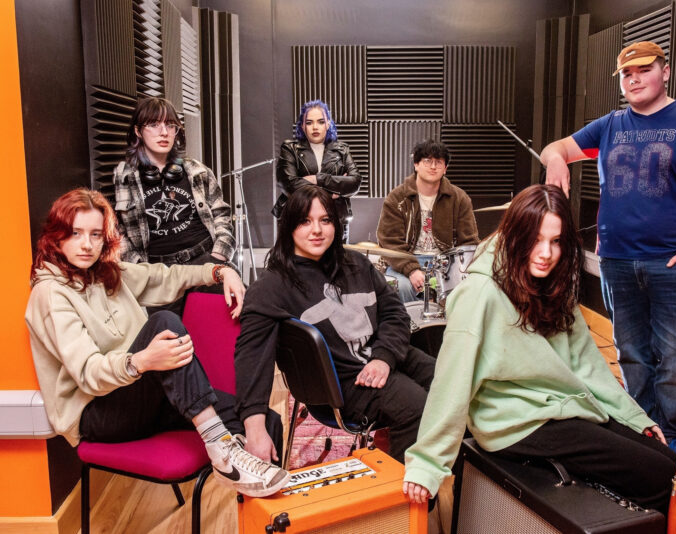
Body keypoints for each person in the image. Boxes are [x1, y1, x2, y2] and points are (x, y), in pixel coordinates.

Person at [403, 185, 676, 515]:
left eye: (556, 240)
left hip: (560, 408)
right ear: (515, 236)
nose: (546, 252)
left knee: (673, 465)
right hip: (515, 422)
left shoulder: (555, 284)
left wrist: (634, 419)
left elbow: (587, 365)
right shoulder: (480, 292)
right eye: (535, 239)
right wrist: (428, 464)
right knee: (661, 478)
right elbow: (452, 381)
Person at [25, 188, 288, 497]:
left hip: (141, 396)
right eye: (75, 233)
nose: (86, 244)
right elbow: (88, 374)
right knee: (163, 323)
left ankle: (265, 516)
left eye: (95, 234)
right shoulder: (50, 294)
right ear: (56, 236)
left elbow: (165, 277)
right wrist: (142, 362)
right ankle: (222, 449)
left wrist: (219, 271)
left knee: (263, 421)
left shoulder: (107, 273)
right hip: (97, 412)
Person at [539, 41, 676, 454]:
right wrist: (556, 160)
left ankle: (673, 432)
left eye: (644, 70)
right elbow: (555, 147)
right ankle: (644, 426)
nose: (634, 78)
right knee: (631, 351)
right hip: (617, 262)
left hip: (674, 262)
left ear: (665, 72)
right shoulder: (609, 124)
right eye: (627, 73)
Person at [236, 185, 435, 464]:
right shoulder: (272, 287)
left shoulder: (355, 263)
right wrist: (254, 428)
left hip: (383, 357)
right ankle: (404, 502)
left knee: (448, 383)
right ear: (289, 226)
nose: (316, 230)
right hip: (345, 384)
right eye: (305, 221)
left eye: (325, 220)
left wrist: (384, 358)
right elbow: (251, 358)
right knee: (419, 408)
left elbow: (395, 314)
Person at [113, 97, 236, 315]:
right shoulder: (125, 176)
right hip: (160, 274)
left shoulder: (196, 170)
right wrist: (142, 270)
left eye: (170, 125)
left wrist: (218, 255)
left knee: (225, 333)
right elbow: (119, 232)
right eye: (154, 124)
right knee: (171, 339)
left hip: (205, 260)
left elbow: (222, 214)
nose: (164, 132)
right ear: (138, 131)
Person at [377, 139, 479, 303]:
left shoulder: (459, 198)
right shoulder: (397, 198)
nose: (433, 166)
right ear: (416, 165)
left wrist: (460, 271)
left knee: (467, 287)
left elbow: (468, 242)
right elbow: (390, 241)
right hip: (406, 259)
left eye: (438, 162)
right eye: (427, 161)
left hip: (445, 263)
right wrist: (412, 270)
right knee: (402, 286)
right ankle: (410, 328)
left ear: (445, 168)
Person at [272, 99, 362, 240]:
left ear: (328, 124)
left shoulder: (342, 150)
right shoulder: (290, 149)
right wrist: (332, 191)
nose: (315, 127)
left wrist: (317, 179)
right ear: (302, 125)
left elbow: (354, 182)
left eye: (320, 121)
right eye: (309, 122)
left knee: (336, 262)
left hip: (335, 220)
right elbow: (289, 184)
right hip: (298, 220)